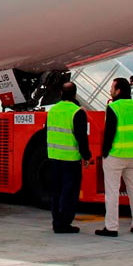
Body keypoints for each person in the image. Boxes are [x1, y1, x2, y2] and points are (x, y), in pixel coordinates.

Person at [96, 77, 133, 237]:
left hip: (116, 155)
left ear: (118, 91)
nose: (110, 90)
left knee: (112, 192)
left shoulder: (113, 107)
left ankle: (111, 227)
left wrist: (104, 152)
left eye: (112, 88)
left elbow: (109, 133)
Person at [46, 82, 91, 234]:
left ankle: (56, 221)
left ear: (61, 94)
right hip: (70, 159)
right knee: (69, 193)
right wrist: (86, 156)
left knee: (56, 192)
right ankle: (64, 223)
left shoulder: (53, 110)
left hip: (54, 157)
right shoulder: (77, 112)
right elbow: (81, 137)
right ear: (75, 95)